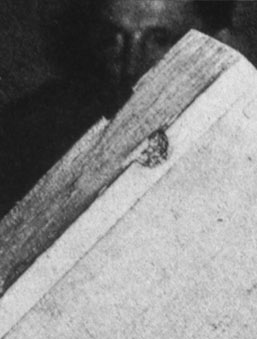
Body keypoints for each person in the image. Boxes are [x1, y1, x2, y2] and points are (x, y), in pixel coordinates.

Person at [0, 0, 235, 215]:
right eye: (112, 38)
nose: (131, 66)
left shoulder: (245, 134)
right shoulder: (29, 134)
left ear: (219, 44)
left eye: (160, 40)